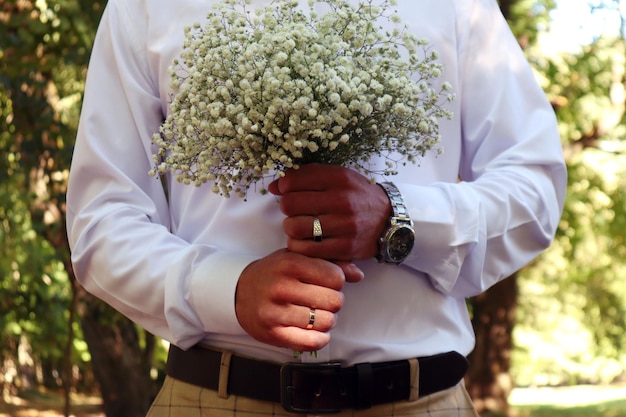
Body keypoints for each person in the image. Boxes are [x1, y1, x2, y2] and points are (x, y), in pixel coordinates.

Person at [66, 0, 567, 416]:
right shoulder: (145, 6)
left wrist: (399, 218)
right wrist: (227, 289)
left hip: (421, 402)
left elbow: (535, 188)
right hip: (212, 400)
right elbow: (102, 220)